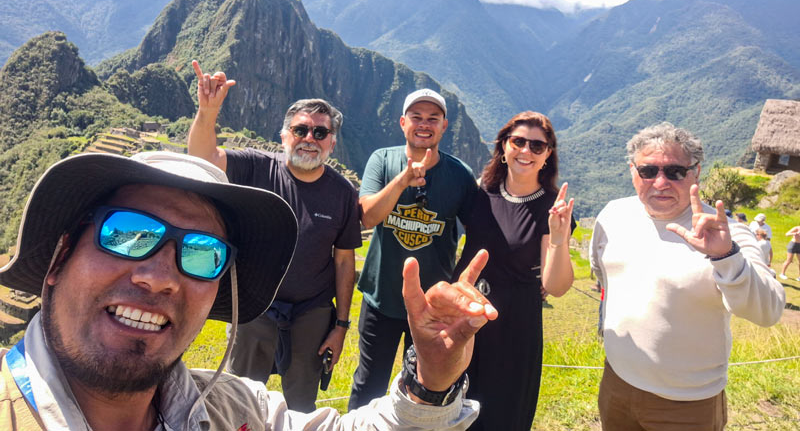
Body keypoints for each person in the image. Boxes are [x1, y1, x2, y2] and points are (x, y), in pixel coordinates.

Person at [0, 151, 498, 430]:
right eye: (128, 233)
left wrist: (431, 379)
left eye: (201, 252)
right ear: (61, 255)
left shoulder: (233, 414)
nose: (159, 275)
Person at [187, 61, 360, 411]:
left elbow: (344, 261)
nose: (309, 139)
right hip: (255, 306)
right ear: (284, 135)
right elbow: (203, 157)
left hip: (311, 312)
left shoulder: (342, 193)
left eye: (320, 134)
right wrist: (208, 113)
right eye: (301, 130)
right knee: (239, 397)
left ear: (331, 144)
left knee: (300, 402)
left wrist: (340, 326)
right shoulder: (257, 167)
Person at [590, 122, 785, 430]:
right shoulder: (612, 215)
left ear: (696, 172)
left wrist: (725, 256)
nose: (661, 182)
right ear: (632, 171)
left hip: (688, 403)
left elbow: (769, 311)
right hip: (616, 383)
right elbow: (604, 278)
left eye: (675, 172)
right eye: (648, 171)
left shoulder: (727, 233)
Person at [349, 88, 479, 410]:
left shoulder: (459, 175)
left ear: (444, 126)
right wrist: (402, 180)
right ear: (403, 123)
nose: (424, 125)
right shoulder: (383, 160)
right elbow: (367, 216)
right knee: (369, 382)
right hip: (381, 298)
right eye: (417, 118)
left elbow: (480, 229)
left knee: (426, 385)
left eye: (432, 118)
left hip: (431, 305)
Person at [452, 111, 575, 431]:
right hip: (464, 318)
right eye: (518, 142)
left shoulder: (552, 207)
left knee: (502, 415)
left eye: (537, 146)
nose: (526, 151)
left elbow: (556, 286)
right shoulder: (479, 193)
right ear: (503, 147)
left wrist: (559, 239)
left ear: (548, 154)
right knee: (450, 412)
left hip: (514, 329)